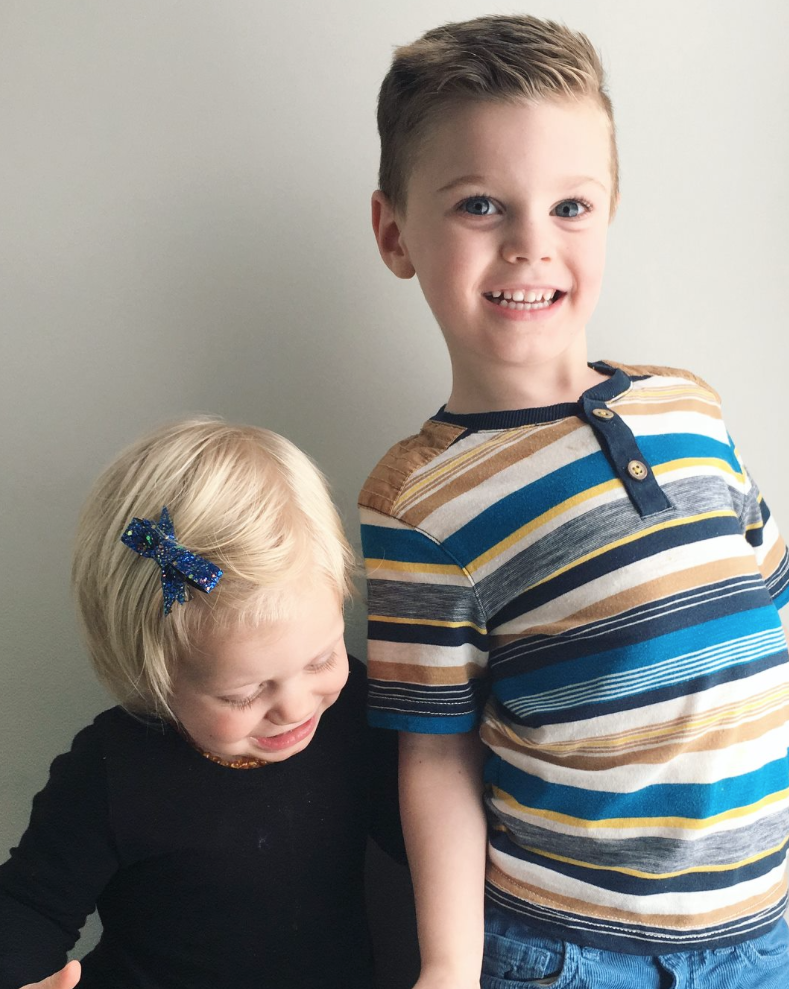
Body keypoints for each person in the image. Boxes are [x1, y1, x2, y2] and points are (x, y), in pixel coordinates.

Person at [359, 13, 789, 989]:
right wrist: (447, 963)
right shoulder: (419, 502)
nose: (530, 245)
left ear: (610, 211)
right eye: (480, 205)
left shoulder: (689, 405)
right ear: (394, 232)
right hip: (574, 951)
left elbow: (769, 627)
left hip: (762, 928)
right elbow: (435, 755)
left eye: (569, 206)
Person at [0, 417, 401, 989]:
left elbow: (419, 837)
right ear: (155, 676)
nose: (295, 707)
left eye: (320, 660)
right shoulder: (111, 770)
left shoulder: (354, 713)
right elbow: (28, 907)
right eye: (243, 693)